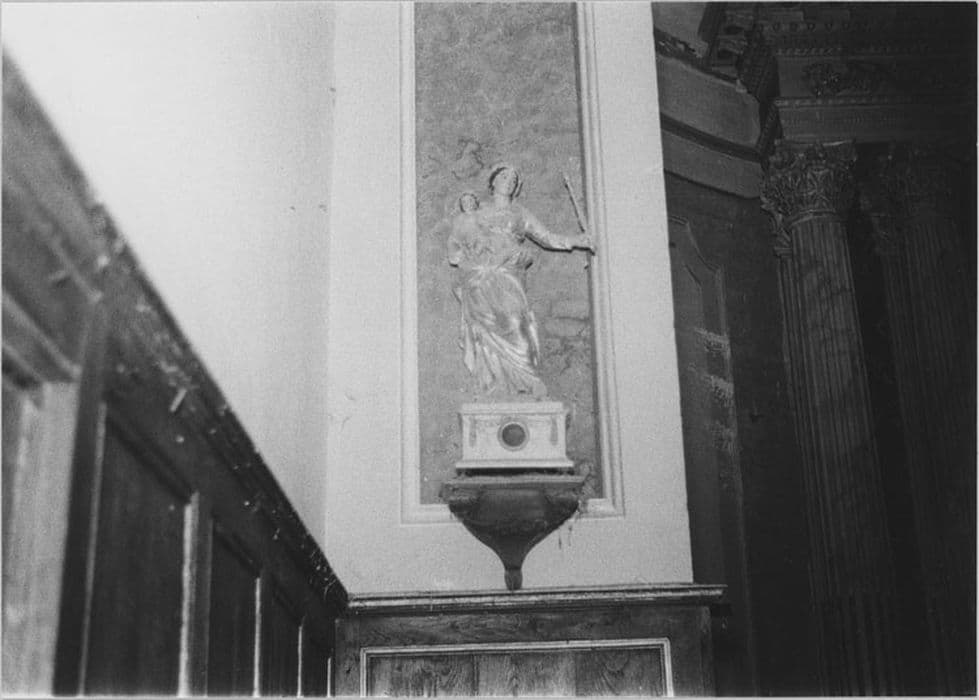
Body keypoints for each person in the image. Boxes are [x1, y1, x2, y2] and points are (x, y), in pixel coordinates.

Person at [448, 165, 594, 399]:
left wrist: (577, 241)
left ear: (516, 187)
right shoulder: (478, 211)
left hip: (509, 274)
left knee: (517, 323)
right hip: (481, 278)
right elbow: (460, 238)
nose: (509, 181)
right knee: (485, 330)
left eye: (513, 179)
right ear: (492, 181)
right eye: (504, 176)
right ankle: (492, 386)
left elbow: (547, 237)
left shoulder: (520, 213)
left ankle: (527, 379)